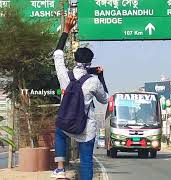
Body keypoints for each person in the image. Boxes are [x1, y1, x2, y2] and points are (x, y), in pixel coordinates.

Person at [51, 15, 108, 179]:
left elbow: (57, 54)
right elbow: (104, 99)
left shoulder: (64, 75)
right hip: (86, 128)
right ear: (89, 62)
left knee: (59, 130)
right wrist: (101, 76)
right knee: (86, 162)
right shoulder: (93, 82)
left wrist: (66, 30)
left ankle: (60, 168)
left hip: (66, 124)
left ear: (75, 59)